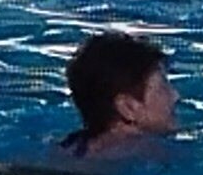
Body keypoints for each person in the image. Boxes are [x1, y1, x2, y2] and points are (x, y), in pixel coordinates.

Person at [56, 29, 180, 166]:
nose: (175, 95)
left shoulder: (67, 147)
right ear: (128, 107)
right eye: (163, 87)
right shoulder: (151, 151)